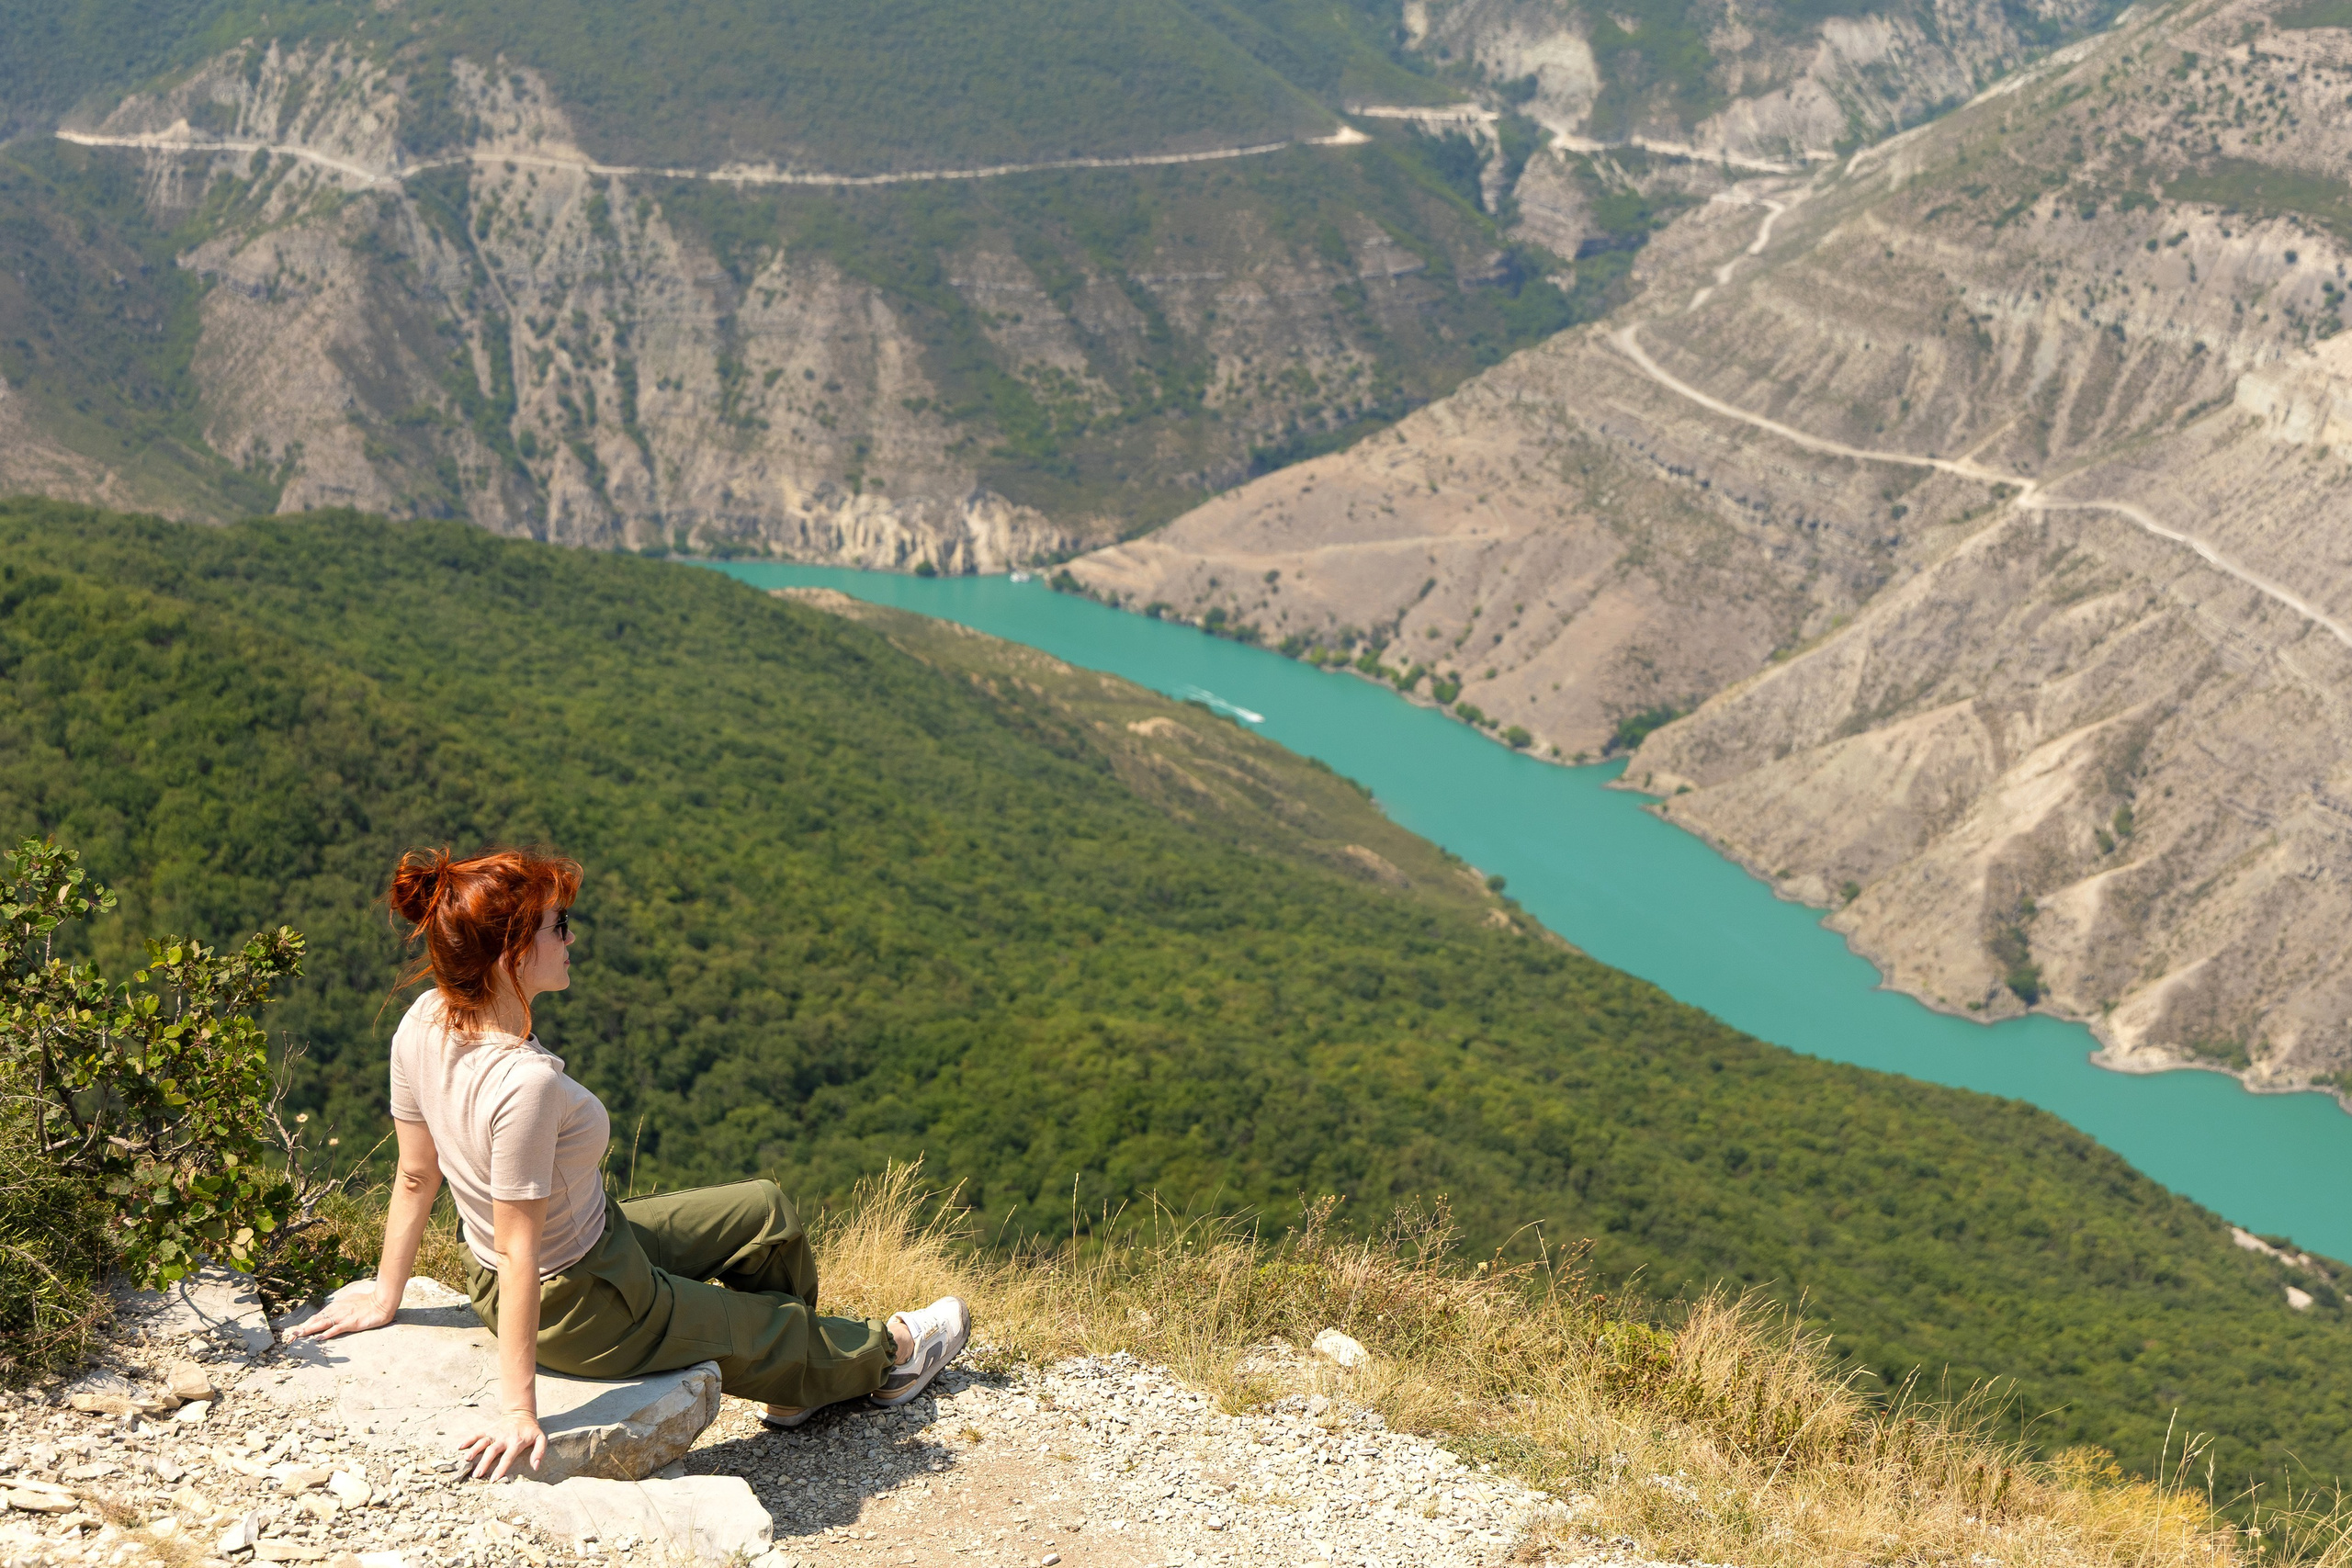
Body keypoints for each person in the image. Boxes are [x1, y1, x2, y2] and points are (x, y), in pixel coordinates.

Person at [287, 847, 969, 1479]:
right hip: (579, 1300)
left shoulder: (424, 1020)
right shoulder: (523, 1084)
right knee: (770, 1327)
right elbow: (520, 1251)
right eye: (559, 926)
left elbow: (415, 1174)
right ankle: (890, 1357)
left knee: (766, 1212)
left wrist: (386, 1293)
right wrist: (519, 1409)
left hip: (590, 1241)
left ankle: (799, 1385)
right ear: (511, 954)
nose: (571, 938)